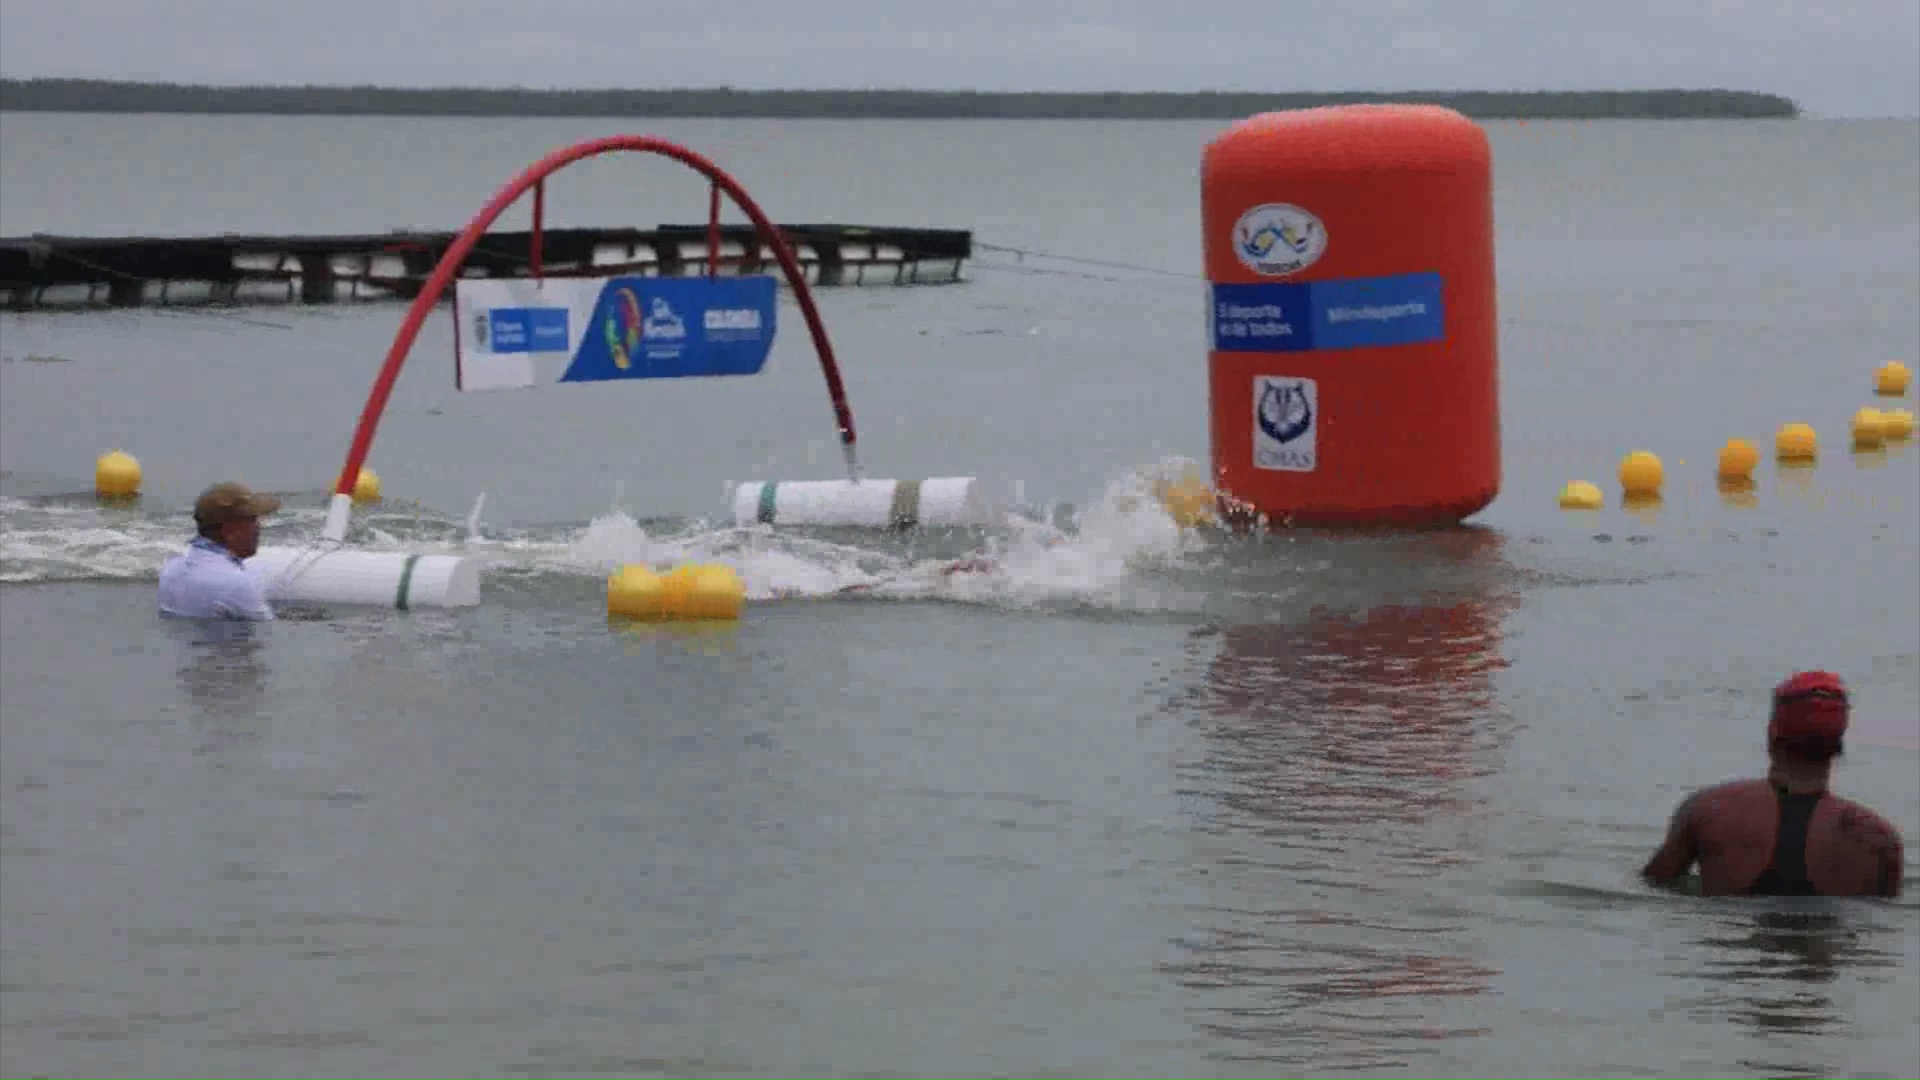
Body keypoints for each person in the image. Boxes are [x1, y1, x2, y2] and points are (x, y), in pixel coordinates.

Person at [1641, 671, 1905, 898]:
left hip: (1731, 952)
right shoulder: (1878, 840)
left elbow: (1654, 885)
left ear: (1772, 732)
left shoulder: (1707, 811)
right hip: (1820, 952)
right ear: (1839, 742)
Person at [156, 481, 281, 621]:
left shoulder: (171, 569)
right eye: (252, 520)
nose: (258, 528)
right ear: (230, 530)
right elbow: (268, 631)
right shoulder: (236, 583)